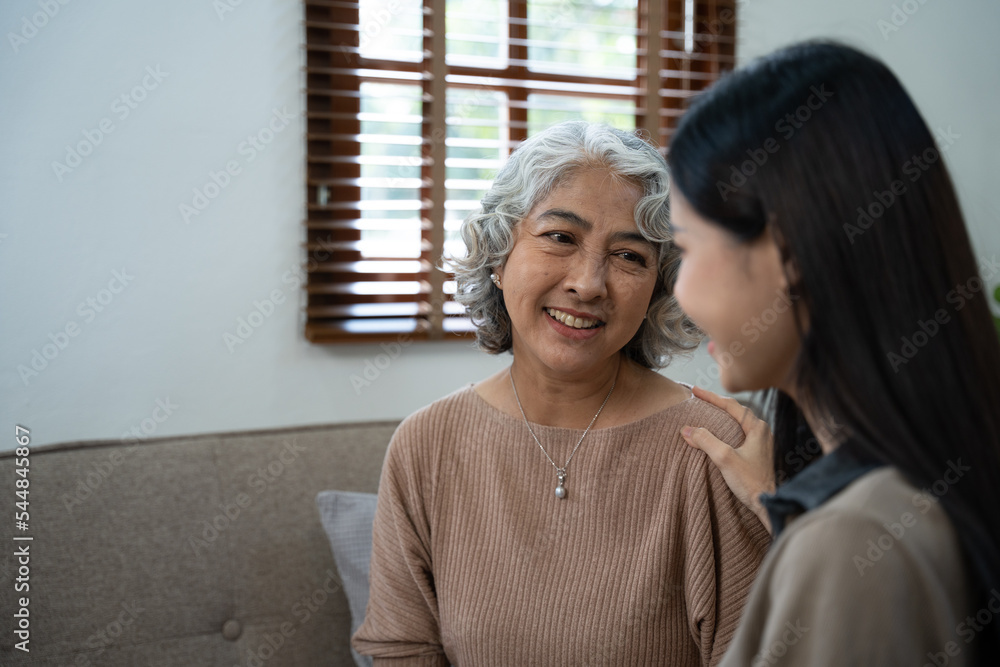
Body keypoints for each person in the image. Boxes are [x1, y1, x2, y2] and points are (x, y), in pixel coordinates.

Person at [352, 121, 771, 666]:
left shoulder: (712, 451)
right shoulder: (427, 443)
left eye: (629, 256)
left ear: (658, 290)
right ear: (499, 257)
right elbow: (400, 650)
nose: (589, 282)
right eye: (560, 238)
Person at [668, 41, 1000, 665]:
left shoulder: (857, 539)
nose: (677, 292)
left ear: (789, 253)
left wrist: (824, 543)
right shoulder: (881, 509)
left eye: (685, 250)